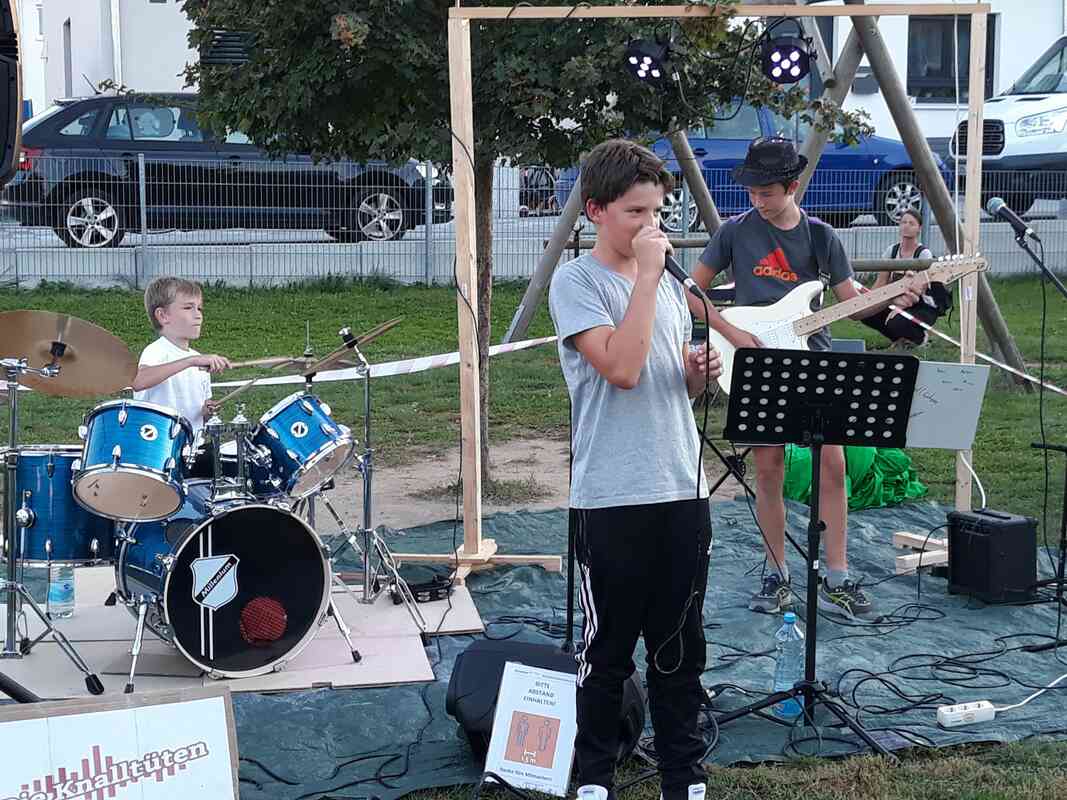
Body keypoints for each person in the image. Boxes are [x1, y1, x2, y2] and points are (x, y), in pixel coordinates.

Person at [548, 139, 722, 800]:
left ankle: (683, 775)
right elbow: (619, 368)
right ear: (595, 210)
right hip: (612, 496)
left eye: (658, 211)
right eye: (635, 213)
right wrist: (646, 278)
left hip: (678, 487)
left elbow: (662, 375)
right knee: (606, 653)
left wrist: (693, 375)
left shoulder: (669, 285)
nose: (652, 227)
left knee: (680, 648)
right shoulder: (578, 282)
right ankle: (594, 776)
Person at [689, 137, 923, 619]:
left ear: (792, 186)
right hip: (755, 363)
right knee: (768, 469)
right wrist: (731, 330)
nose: (757, 200)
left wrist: (902, 293)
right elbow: (692, 289)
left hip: (813, 362)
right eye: (752, 192)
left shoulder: (821, 237)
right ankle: (777, 573)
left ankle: (836, 574)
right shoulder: (734, 232)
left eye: (767, 192)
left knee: (832, 467)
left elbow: (850, 302)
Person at [132, 276, 231, 477]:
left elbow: (197, 412)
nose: (198, 315)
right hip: (160, 451)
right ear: (163, 316)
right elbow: (138, 381)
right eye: (188, 308)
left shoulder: (197, 358)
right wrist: (190, 362)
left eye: (200, 308)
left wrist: (207, 410)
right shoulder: (157, 351)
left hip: (193, 449)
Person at [860, 208, 951, 347]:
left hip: (922, 304)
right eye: (903, 222)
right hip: (896, 299)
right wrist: (868, 301)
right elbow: (881, 282)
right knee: (867, 313)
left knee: (896, 321)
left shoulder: (923, 254)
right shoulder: (891, 251)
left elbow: (917, 292)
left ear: (919, 229)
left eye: (911, 223)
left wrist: (897, 308)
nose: (906, 226)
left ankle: (920, 339)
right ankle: (898, 339)